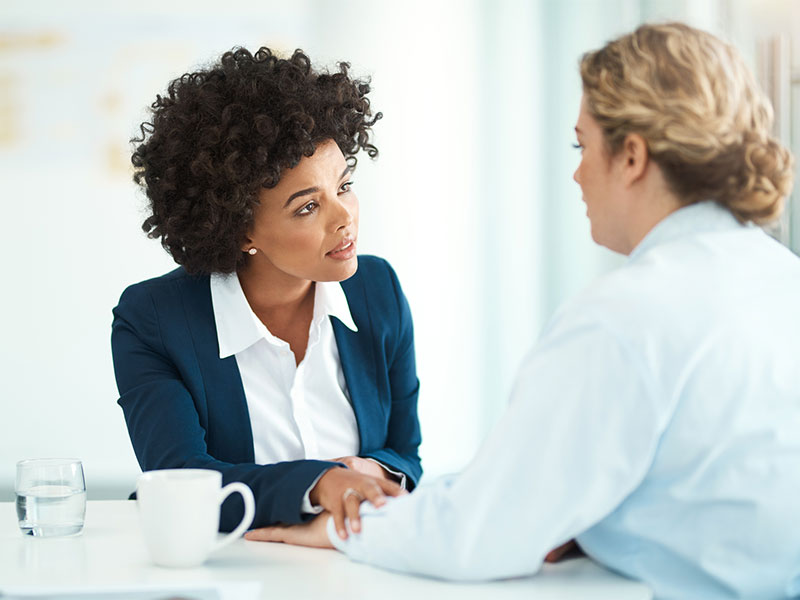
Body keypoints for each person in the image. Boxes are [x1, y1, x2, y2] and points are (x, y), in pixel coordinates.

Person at [245, 23, 800, 599]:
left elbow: (480, 538)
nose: (578, 173)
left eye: (583, 146)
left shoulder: (625, 317)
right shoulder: (781, 280)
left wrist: (339, 525)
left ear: (632, 155)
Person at [111, 47, 422, 534]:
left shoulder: (376, 289)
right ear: (240, 231)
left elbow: (407, 453)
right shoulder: (153, 319)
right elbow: (179, 480)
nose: (345, 217)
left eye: (344, 186)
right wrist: (318, 484)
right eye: (306, 207)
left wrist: (370, 472)